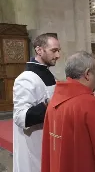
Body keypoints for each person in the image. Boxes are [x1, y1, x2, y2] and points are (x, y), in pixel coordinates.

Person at [13, 33, 61, 172]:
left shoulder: (48, 74)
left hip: (48, 137)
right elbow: (20, 117)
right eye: (54, 50)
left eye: (58, 51)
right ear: (39, 50)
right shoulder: (25, 79)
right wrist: (49, 104)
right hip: (33, 141)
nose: (58, 55)